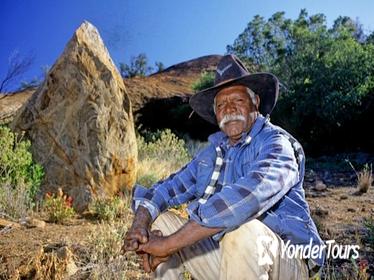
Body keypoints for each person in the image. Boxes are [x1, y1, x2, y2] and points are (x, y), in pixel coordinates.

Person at [123, 54, 325, 280]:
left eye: (237, 100)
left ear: (255, 102)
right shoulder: (210, 154)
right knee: (160, 221)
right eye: (221, 104)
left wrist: (169, 245)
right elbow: (164, 190)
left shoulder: (276, 143)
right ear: (216, 114)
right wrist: (141, 226)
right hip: (228, 257)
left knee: (242, 232)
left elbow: (250, 195)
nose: (228, 109)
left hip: (287, 262)